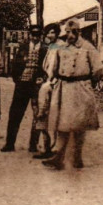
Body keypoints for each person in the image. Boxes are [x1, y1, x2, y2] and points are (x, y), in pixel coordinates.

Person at [43, 20, 103, 169]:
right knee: (62, 124)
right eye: (68, 32)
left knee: (78, 125)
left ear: (79, 32)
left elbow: (97, 70)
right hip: (63, 89)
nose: (69, 35)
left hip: (80, 89)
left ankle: (77, 158)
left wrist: (89, 84)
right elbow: (54, 67)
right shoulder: (62, 48)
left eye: (73, 32)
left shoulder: (88, 48)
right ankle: (59, 157)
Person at [1, 25, 46, 152]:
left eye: (37, 35)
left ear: (40, 35)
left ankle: (33, 144)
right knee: (15, 113)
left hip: (37, 86)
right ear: (30, 35)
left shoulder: (45, 49)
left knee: (38, 114)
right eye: (33, 35)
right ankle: (10, 143)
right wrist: (17, 80)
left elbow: (47, 67)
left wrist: (42, 79)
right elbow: (15, 64)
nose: (35, 37)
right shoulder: (23, 47)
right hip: (22, 85)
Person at [31, 22, 62, 159]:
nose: (50, 35)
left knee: (52, 117)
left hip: (55, 85)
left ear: (57, 33)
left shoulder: (61, 47)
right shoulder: (50, 47)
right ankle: (46, 147)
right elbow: (47, 67)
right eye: (48, 33)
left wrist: (53, 80)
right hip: (47, 84)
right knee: (42, 114)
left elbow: (59, 68)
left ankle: (53, 148)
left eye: (52, 32)